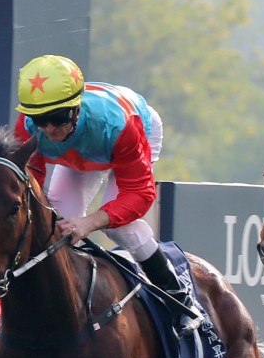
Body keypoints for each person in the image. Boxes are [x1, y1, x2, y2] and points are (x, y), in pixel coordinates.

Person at [13, 54, 193, 337]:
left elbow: (139, 194)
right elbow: (29, 183)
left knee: (121, 228)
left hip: (129, 131)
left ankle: (179, 299)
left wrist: (91, 222)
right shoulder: (27, 127)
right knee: (56, 223)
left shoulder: (119, 126)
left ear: (75, 108)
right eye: (40, 120)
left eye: (57, 118)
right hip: (84, 150)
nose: (48, 129)